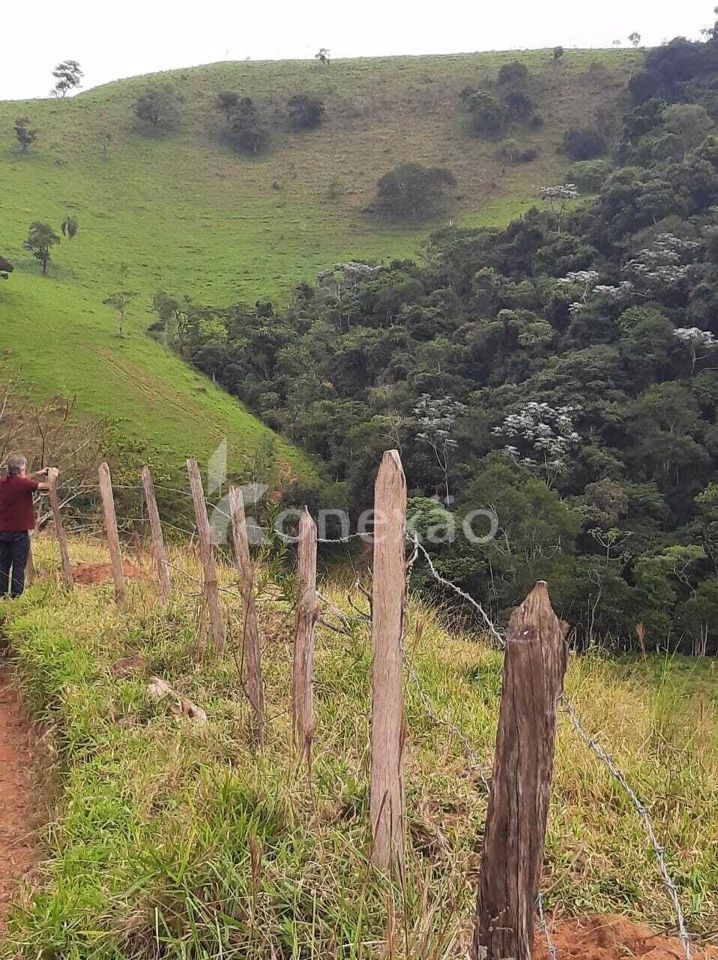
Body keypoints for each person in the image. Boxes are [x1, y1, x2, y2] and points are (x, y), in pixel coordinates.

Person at [0, 455, 58, 599]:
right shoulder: (23, 485)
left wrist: (38, 473)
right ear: (21, 469)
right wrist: (53, 476)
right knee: (19, 565)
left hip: (2, 531)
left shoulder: (3, 482)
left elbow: (23, 480)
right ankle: (15, 596)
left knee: (3, 566)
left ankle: (1, 595)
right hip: (18, 532)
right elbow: (46, 487)